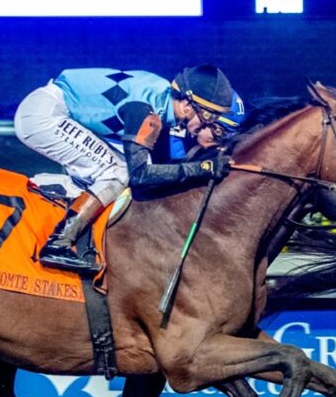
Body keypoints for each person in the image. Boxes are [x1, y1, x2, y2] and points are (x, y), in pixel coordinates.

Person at [14, 64, 234, 274]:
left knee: (118, 168)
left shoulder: (159, 98)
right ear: (186, 104)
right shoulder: (148, 111)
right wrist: (202, 169)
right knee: (118, 171)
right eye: (208, 117)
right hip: (44, 115)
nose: (206, 126)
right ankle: (58, 243)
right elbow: (140, 175)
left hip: (55, 109)